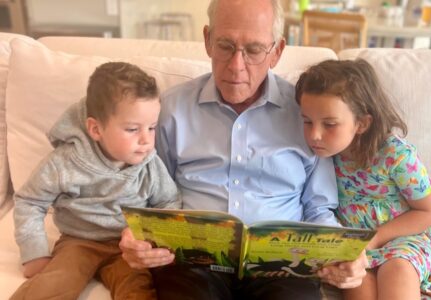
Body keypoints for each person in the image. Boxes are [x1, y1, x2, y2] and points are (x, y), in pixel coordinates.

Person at [119, 1, 368, 299]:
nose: (236, 66)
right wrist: (136, 238)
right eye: (225, 45)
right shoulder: (171, 109)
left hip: (282, 265)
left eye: (253, 50)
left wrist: (343, 252)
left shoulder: (307, 113)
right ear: (208, 40)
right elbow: (149, 195)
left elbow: (317, 208)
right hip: (192, 262)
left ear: (276, 52)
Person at [12, 62, 180, 300]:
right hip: (78, 242)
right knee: (51, 286)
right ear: (96, 129)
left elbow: (169, 201)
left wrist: (148, 235)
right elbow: (29, 201)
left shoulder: (150, 164)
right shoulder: (65, 162)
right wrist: (34, 253)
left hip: (128, 248)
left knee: (138, 291)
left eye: (151, 127)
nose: (146, 140)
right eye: (132, 129)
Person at [295, 59, 431, 300]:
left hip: (405, 241)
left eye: (330, 124)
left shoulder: (395, 155)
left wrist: (374, 239)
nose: (314, 135)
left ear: (362, 123)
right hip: (356, 250)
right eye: (307, 122)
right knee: (357, 285)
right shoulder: (320, 157)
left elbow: (429, 211)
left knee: (397, 271)